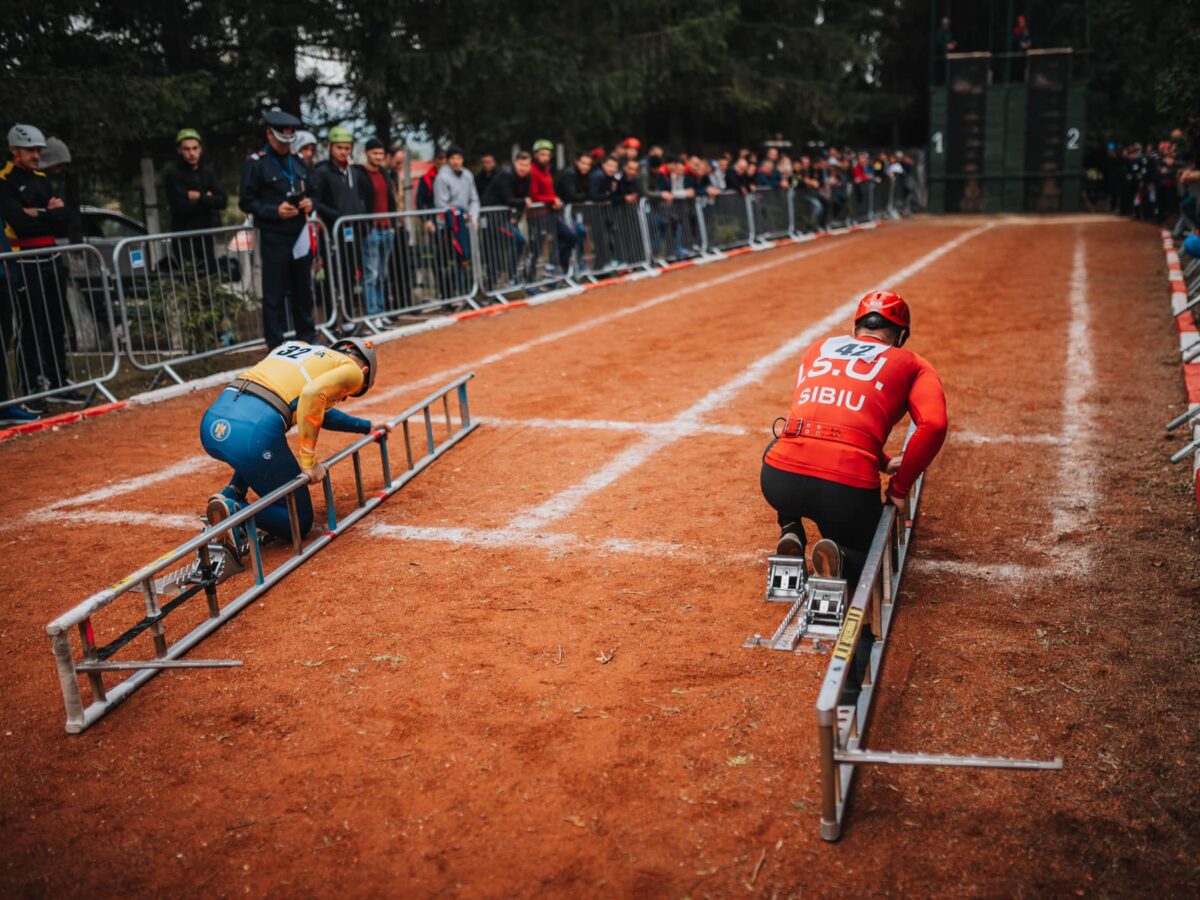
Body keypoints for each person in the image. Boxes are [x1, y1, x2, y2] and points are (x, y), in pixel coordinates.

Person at [760, 291, 946, 702]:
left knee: (783, 442)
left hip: (779, 477)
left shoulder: (819, 348)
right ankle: (842, 559)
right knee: (862, 556)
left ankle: (790, 527)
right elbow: (932, 425)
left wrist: (878, 459)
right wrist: (897, 488)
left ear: (857, 329)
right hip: (844, 488)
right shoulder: (911, 362)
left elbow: (817, 419)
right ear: (900, 336)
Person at [200, 337, 385, 554]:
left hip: (214, 422)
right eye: (351, 392)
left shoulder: (298, 347)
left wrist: (366, 426)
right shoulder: (352, 371)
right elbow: (312, 396)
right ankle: (235, 511)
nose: (343, 397)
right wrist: (309, 462)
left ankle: (232, 493)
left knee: (255, 450)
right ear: (363, 371)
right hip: (253, 434)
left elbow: (319, 409)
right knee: (299, 521)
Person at [0, 123, 86, 411]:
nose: (36, 156)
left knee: (55, 322)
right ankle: (32, 387)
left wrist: (42, 213)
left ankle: (58, 381)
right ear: (15, 151)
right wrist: (48, 213)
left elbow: (65, 219)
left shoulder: (41, 180)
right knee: (31, 326)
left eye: (38, 150)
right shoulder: (5, 181)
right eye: (30, 150)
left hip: (50, 256)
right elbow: (19, 223)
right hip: (23, 259)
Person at [238, 109, 317, 349]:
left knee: (303, 290)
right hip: (274, 236)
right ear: (270, 135)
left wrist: (310, 203)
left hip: (299, 235)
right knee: (274, 294)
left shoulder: (297, 162)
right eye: (281, 139)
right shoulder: (257, 164)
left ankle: (308, 339)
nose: (285, 144)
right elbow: (246, 201)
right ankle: (276, 345)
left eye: (289, 139)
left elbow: (313, 191)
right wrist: (275, 210)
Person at [311, 125, 364, 325]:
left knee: (350, 276)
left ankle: (348, 318)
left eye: (347, 148)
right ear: (330, 147)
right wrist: (337, 216)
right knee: (332, 278)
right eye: (339, 147)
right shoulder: (322, 171)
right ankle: (332, 322)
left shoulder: (353, 171)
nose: (344, 152)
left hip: (351, 233)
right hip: (331, 233)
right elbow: (316, 202)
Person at [164, 128, 228, 270]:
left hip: (205, 237)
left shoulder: (207, 172)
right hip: (184, 238)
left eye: (195, 148)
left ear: (200, 149)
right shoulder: (173, 175)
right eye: (186, 149)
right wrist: (207, 199)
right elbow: (181, 206)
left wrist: (198, 197)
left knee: (209, 276)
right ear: (179, 150)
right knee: (190, 277)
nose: (191, 153)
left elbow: (222, 201)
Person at [357, 137, 398, 320]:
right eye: (375, 153)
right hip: (371, 230)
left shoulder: (385, 174)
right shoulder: (360, 174)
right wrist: (366, 227)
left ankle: (382, 312)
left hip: (386, 228)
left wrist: (393, 225)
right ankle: (373, 314)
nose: (378, 156)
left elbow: (391, 201)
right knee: (371, 274)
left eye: (381, 153)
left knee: (382, 274)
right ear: (367, 153)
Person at [432, 145, 480, 297]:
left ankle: (464, 291)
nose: (456, 161)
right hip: (447, 226)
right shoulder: (442, 177)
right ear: (448, 160)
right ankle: (448, 295)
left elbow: (474, 199)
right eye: (452, 158)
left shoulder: (468, 175)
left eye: (458, 158)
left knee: (464, 258)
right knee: (448, 261)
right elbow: (442, 205)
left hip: (465, 224)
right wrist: (457, 215)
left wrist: (473, 216)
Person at [529, 138, 575, 272]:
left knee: (569, 236)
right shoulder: (533, 171)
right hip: (537, 214)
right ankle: (530, 277)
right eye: (542, 154)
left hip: (550, 212)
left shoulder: (547, 170)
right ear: (536, 155)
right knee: (537, 247)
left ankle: (557, 267)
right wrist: (552, 200)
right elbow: (534, 195)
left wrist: (554, 199)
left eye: (548, 155)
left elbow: (549, 191)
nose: (546, 158)